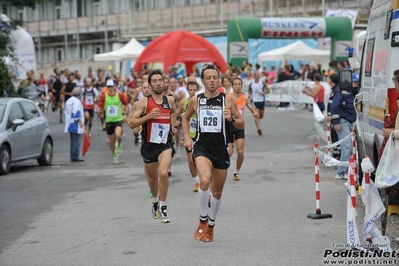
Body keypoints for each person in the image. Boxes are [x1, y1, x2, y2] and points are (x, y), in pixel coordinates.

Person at [182, 64, 244, 242]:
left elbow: (241, 123)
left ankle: (211, 225)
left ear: (219, 79)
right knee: (205, 180)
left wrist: (231, 118)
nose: (211, 80)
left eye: (214, 77)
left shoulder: (228, 100)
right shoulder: (196, 100)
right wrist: (187, 136)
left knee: (217, 192)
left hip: (221, 149)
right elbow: (185, 118)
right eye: (208, 78)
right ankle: (202, 220)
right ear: (202, 81)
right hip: (202, 147)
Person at [128, 70, 177, 224]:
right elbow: (131, 123)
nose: (157, 83)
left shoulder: (170, 100)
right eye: (154, 81)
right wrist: (148, 116)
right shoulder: (144, 102)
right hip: (149, 145)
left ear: (164, 83)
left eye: (160, 80)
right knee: (152, 179)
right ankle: (155, 201)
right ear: (149, 85)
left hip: (165, 144)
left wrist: (173, 126)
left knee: (163, 173)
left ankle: (163, 205)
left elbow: (173, 112)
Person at [228, 77, 259, 181]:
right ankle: (220, 169)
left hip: (240, 126)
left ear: (241, 85)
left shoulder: (244, 98)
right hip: (228, 126)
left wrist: (254, 112)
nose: (237, 86)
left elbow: (250, 106)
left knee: (240, 151)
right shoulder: (228, 97)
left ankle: (236, 171)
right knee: (229, 153)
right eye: (235, 84)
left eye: (239, 84)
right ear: (232, 86)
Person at [330, 74, 357, 180]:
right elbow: (334, 106)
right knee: (347, 147)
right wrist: (336, 122)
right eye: (354, 82)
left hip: (350, 122)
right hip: (343, 121)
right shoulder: (342, 92)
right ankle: (341, 172)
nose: (355, 84)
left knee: (349, 148)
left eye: (357, 82)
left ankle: (346, 170)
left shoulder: (354, 93)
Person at [175, 81, 200, 192]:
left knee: (199, 159)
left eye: (194, 90)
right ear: (187, 90)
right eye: (190, 90)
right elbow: (176, 115)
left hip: (200, 134)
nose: (192, 92)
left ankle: (202, 177)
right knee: (191, 159)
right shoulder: (183, 103)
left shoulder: (201, 101)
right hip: (189, 135)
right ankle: (196, 182)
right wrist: (176, 122)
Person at [98, 80, 129, 164]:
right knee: (111, 141)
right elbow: (100, 106)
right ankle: (114, 154)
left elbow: (126, 103)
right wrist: (100, 111)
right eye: (108, 87)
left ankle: (119, 144)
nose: (110, 88)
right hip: (109, 120)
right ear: (107, 87)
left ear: (115, 86)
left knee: (118, 135)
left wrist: (125, 113)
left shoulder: (119, 95)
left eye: (111, 86)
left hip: (118, 119)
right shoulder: (104, 96)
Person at [64, 87, 85, 162]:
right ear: (79, 94)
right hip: (75, 124)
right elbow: (75, 112)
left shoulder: (68, 100)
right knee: (76, 141)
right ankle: (75, 156)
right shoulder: (77, 101)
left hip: (70, 123)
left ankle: (73, 155)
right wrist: (80, 121)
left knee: (73, 141)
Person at [248, 71, 270, 135]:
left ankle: (258, 123)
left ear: (259, 76)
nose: (257, 76)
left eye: (258, 75)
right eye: (255, 75)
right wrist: (249, 95)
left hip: (262, 100)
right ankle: (258, 128)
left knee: (261, 116)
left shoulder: (262, 83)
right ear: (254, 76)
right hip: (254, 101)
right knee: (257, 115)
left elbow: (268, 90)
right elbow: (249, 90)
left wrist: (263, 93)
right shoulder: (251, 83)